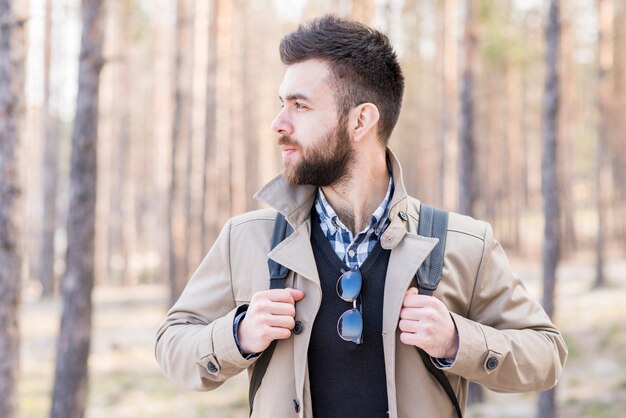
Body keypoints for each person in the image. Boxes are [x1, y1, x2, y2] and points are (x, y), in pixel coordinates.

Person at [155, 15, 567, 418]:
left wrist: (458, 341)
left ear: (361, 120)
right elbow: (172, 342)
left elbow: (546, 354)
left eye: (299, 105)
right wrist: (237, 335)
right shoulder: (245, 239)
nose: (278, 124)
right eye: (282, 105)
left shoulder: (464, 243)